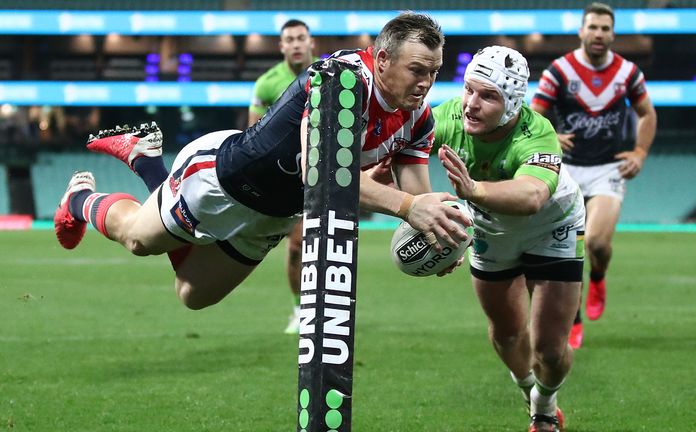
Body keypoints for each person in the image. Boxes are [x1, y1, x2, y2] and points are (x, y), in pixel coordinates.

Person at [54, 12, 470, 313]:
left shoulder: (419, 118)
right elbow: (320, 172)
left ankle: (147, 162)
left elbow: (417, 195)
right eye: (417, 70)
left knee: (193, 295)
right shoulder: (342, 81)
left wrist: (440, 236)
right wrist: (408, 207)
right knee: (138, 240)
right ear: (381, 60)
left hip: (272, 216)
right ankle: (80, 198)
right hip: (221, 180)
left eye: (433, 72)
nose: (426, 83)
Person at [435, 46, 584, 432]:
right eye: (469, 89)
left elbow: (532, 196)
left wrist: (474, 191)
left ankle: (544, 405)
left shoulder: (537, 132)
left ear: (514, 102)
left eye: (488, 96)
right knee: (506, 332)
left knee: (550, 349)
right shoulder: (448, 116)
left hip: (553, 225)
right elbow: (407, 146)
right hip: (491, 229)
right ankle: (526, 387)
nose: (471, 104)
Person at [531, 2, 657, 348]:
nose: (599, 34)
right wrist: (550, 135)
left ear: (612, 34)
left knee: (598, 243)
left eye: (605, 28)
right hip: (566, 169)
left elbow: (647, 113)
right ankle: (572, 318)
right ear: (581, 32)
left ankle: (598, 277)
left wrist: (640, 152)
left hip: (607, 169)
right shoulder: (559, 71)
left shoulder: (628, 73)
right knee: (567, 247)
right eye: (593, 27)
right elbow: (533, 116)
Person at [248, 19, 318, 334]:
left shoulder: (331, 74)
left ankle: (323, 311)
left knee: (321, 246)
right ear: (281, 46)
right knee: (296, 248)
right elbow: (252, 135)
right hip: (284, 178)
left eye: (301, 37)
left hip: (322, 173)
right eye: (289, 39)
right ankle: (300, 310)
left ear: (311, 42)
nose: (296, 44)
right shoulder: (266, 84)